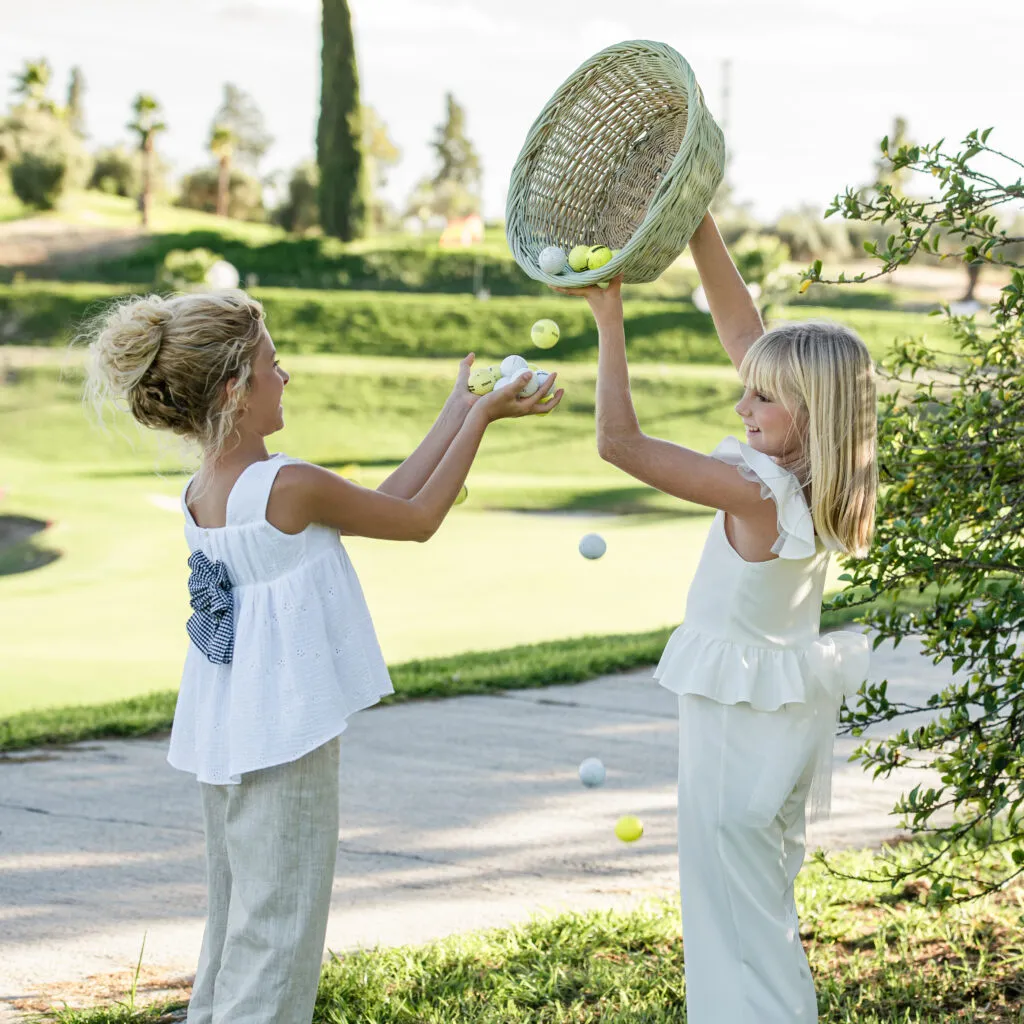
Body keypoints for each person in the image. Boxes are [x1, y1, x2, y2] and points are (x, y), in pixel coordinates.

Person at [81, 289, 562, 1024]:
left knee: (239, 907)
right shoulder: (289, 484)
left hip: (228, 726)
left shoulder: (205, 489)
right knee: (281, 920)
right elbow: (417, 520)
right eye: (272, 365)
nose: (285, 377)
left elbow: (385, 503)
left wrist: (458, 410)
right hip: (285, 725)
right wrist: (482, 420)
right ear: (236, 390)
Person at [553, 212, 877, 1023]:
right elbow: (744, 331)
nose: (742, 403)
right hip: (769, 731)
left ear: (811, 409)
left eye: (763, 397)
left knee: (734, 926)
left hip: (737, 740)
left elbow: (619, 444)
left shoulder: (759, 494)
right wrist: (696, 221)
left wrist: (609, 320)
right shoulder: (819, 480)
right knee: (756, 920)